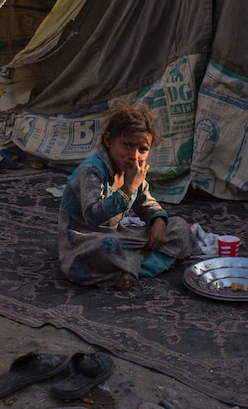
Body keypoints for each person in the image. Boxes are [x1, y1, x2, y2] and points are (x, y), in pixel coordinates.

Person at [58, 100, 199, 290]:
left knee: (179, 228)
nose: (134, 156)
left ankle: (129, 268)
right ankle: (130, 268)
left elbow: (146, 202)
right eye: (127, 145)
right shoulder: (92, 171)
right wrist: (127, 188)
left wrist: (157, 220)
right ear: (108, 141)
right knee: (105, 248)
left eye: (142, 149)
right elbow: (93, 218)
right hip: (87, 239)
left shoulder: (133, 170)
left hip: (119, 235)